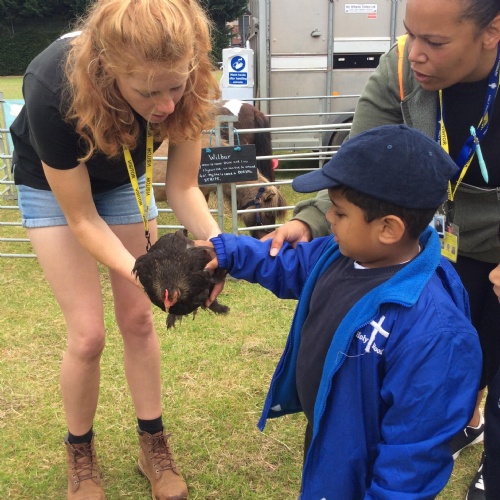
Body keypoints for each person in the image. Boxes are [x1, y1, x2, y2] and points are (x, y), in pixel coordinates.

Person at [265, 1, 500, 496]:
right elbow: (358, 161)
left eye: (435, 42)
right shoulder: (400, 67)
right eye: (411, 33)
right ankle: (462, 422)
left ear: (492, 31)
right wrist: (311, 221)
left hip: (492, 244)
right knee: (440, 365)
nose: (414, 53)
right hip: (430, 239)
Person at [9, 1, 223, 498]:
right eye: (149, 92)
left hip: (123, 177)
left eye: (175, 86)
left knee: (139, 319)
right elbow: (83, 219)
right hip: (52, 186)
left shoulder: (191, 79)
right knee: (88, 336)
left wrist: (221, 248)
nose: (166, 105)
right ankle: (80, 452)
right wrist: (148, 273)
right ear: (109, 70)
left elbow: (184, 187)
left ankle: (152, 443)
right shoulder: (50, 85)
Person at [201, 125, 482, 498]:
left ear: (388, 229)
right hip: (330, 435)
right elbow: (284, 263)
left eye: (340, 212)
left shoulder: (435, 333)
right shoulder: (337, 254)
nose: (328, 218)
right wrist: (226, 252)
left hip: (366, 469)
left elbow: (412, 459)